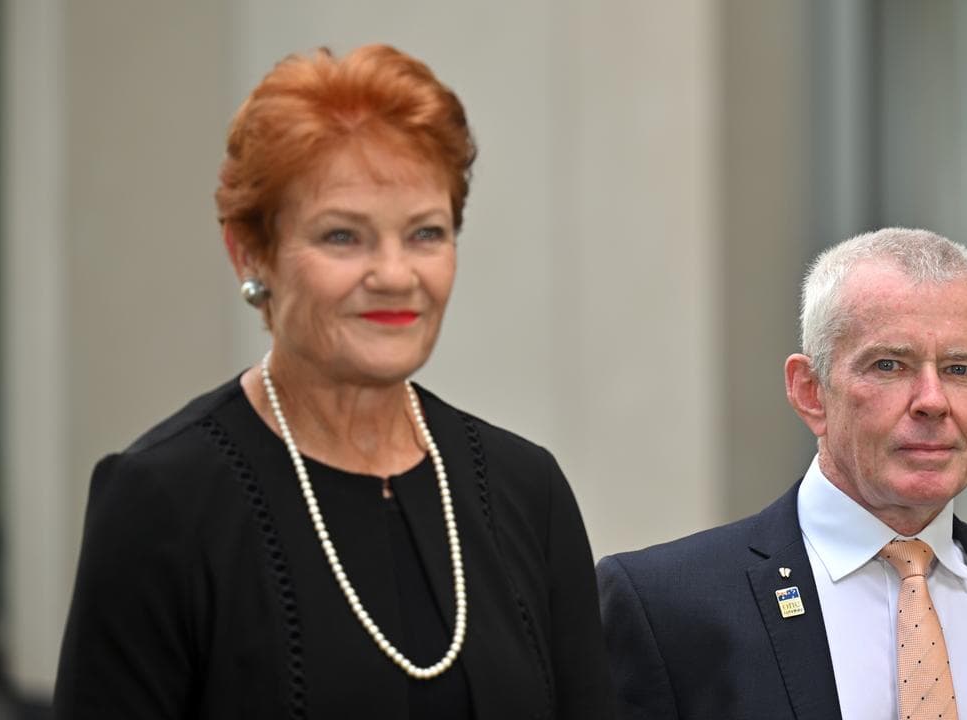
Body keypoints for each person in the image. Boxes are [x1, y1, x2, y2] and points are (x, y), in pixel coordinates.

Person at [54, 45, 614, 719]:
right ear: (249, 251)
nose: (394, 274)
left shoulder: (527, 490)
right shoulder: (160, 502)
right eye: (343, 237)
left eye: (425, 234)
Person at [597, 228, 967, 720]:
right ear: (809, 391)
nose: (932, 402)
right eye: (889, 365)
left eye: (959, 369)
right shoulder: (665, 608)